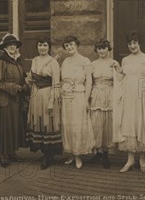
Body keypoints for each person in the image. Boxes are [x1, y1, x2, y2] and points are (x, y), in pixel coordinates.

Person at [113, 31, 145, 173]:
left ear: (139, 43)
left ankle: (142, 159)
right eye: (130, 43)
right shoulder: (125, 60)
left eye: (135, 43)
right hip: (129, 95)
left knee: (141, 123)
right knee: (130, 123)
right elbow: (121, 77)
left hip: (142, 94)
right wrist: (116, 68)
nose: (132, 46)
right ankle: (130, 160)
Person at [0, 33, 30, 167]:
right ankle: (4, 155)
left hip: (17, 100)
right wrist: (14, 87)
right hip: (5, 100)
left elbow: (23, 77)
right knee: (5, 127)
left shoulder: (18, 61)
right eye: (10, 44)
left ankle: (12, 152)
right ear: (5, 47)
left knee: (14, 126)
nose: (13, 46)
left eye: (14, 44)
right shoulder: (1, 61)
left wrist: (25, 85)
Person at [26, 36, 62, 170]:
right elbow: (32, 78)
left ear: (49, 47)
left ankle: (49, 155)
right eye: (40, 45)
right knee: (39, 122)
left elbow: (56, 83)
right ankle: (43, 152)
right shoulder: (34, 60)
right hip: (36, 95)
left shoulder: (53, 62)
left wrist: (52, 101)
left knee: (49, 123)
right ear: (37, 46)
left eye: (45, 45)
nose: (42, 48)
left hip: (48, 94)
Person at [60, 35, 95, 169]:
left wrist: (86, 100)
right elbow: (62, 80)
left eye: (71, 44)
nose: (69, 47)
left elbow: (89, 81)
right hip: (66, 96)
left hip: (79, 95)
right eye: (67, 45)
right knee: (67, 125)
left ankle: (78, 155)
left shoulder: (85, 61)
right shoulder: (65, 61)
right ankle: (71, 153)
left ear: (76, 45)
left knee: (78, 125)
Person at [88, 39, 118, 169]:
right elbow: (89, 81)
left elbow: (120, 80)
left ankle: (105, 153)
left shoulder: (114, 63)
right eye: (99, 48)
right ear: (96, 50)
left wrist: (117, 69)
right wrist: (87, 97)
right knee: (96, 122)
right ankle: (98, 151)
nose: (102, 51)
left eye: (104, 48)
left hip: (110, 94)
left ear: (108, 49)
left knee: (107, 123)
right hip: (96, 94)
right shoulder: (92, 64)